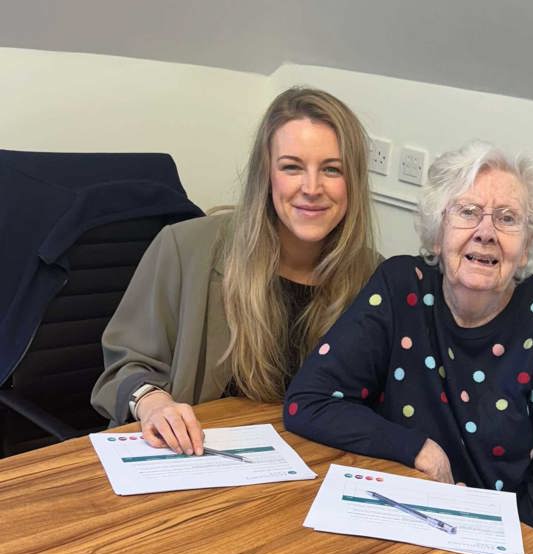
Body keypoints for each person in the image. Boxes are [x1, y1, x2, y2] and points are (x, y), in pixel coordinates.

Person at [284, 140, 533, 554]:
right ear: (437, 233)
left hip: (507, 525)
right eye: (467, 212)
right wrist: (416, 448)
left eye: (507, 219)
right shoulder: (400, 286)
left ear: (525, 249)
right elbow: (309, 401)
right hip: (406, 511)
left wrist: (497, 543)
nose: (485, 232)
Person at [92, 87, 379, 458]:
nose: (312, 188)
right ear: (266, 175)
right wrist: (154, 404)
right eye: (292, 167)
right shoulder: (186, 248)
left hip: (313, 467)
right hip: (198, 460)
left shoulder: (372, 276)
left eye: (331, 169)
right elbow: (125, 364)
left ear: (353, 181)